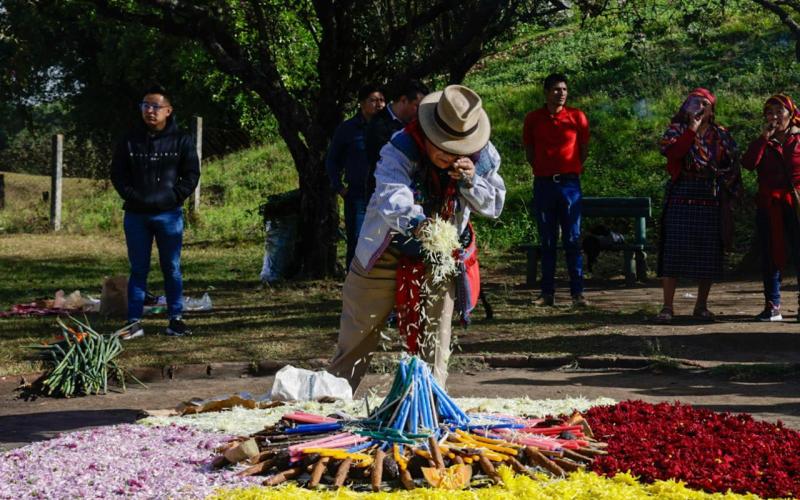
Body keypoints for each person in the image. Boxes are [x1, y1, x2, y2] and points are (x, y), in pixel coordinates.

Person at [328, 85, 505, 390]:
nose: (448, 154)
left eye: (456, 149)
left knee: (436, 337)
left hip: (440, 258)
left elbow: (494, 205)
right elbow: (389, 193)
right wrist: (419, 223)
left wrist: (471, 181)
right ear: (428, 130)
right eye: (442, 145)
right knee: (358, 332)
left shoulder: (483, 156)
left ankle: (426, 405)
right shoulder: (401, 146)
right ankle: (331, 402)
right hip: (386, 248)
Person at [111, 85, 200, 339]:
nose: (150, 111)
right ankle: (134, 322)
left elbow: (191, 174)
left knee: (171, 267)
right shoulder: (129, 139)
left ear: (168, 111)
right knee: (138, 268)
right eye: (145, 106)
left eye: (156, 106)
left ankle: (176, 320)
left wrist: (172, 197)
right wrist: (133, 196)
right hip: (136, 216)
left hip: (169, 215)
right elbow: (117, 174)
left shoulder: (181, 140)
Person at [655, 88, 740, 323]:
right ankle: (667, 307)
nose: (700, 107)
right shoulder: (677, 130)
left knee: (708, 253)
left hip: (710, 196)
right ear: (687, 107)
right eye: (695, 102)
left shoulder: (721, 135)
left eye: (705, 103)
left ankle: (701, 306)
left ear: (712, 110)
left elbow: (732, 164)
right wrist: (691, 130)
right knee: (673, 251)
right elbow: (673, 153)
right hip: (682, 193)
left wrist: (728, 189)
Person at [522, 73, 590, 307]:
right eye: (556, 89)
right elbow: (529, 151)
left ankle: (577, 293)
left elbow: (583, 149)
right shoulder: (533, 119)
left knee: (572, 238)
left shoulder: (577, 117)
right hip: (544, 184)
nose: (560, 93)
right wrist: (543, 168)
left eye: (564, 89)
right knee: (547, 240)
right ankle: (547, 293)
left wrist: (570, 168)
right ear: (546, 92)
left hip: (570, 185)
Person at [742, 94, 800, 322]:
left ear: (791, 114)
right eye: (770, 112)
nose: (774, 116)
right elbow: (748, 164)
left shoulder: (798, 139)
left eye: (779, 111)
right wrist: (764, 138)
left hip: (795, 204)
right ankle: (772, 305)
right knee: (770, 254)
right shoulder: (763, 141)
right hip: (769, 205)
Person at [326, 84, 386, 270]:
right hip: (357, 196)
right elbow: (332, 160)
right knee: (358, 239)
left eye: (382, 100)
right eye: (373, 100)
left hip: (384, 194)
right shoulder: (348, 129)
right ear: (362, 104)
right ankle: (353, 282)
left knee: (383, 240)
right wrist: (339, 187)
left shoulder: (388, 128)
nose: (379, 105)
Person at [364, 80, 429, 197]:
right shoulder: (378, 125)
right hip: (384, 195)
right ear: (403, 100)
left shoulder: (418, 125)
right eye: (417, 106)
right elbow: (380, 160)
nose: (420, 112)